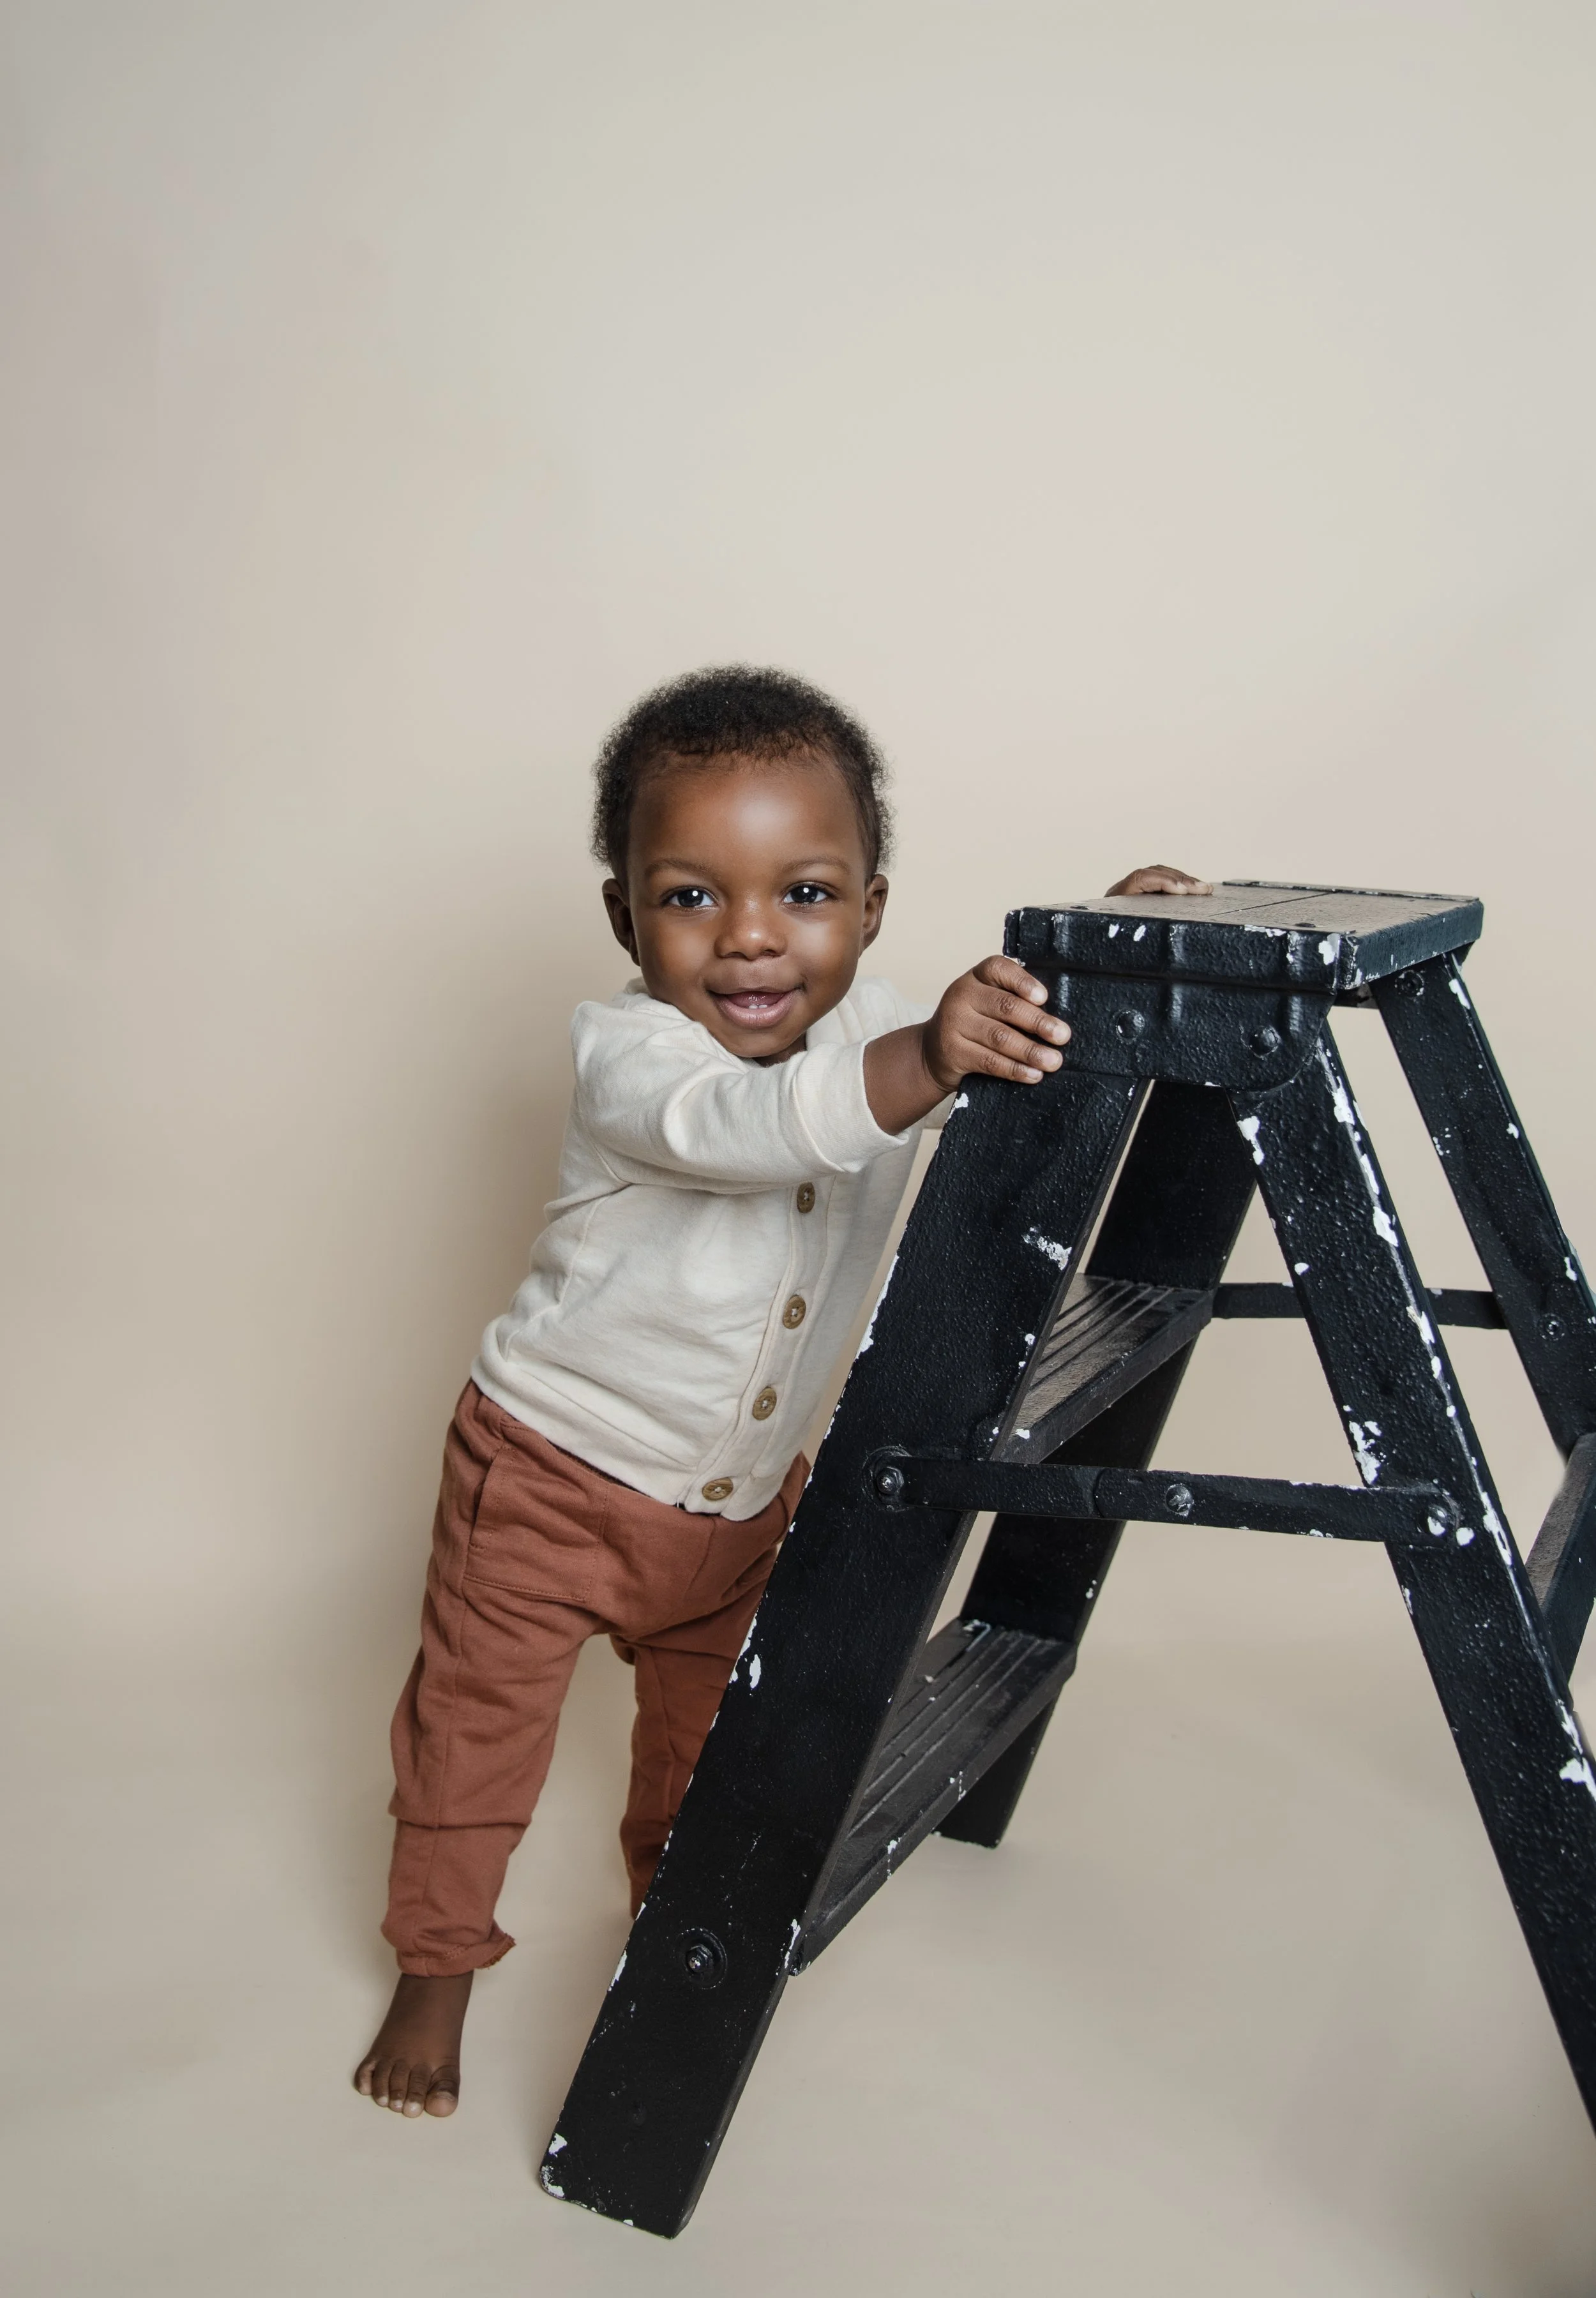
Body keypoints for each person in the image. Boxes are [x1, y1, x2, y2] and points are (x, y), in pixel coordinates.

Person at [354, 665, 1208, 2118]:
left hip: (740, 1507)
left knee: (714, 1766)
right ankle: (434, 1977)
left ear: (871, 905)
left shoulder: (875, 1030)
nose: (751, 939)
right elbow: (757, 1127)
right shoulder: (631, 1058)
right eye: (691, 898)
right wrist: (930, 1052)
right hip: (548, 1480)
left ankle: (671, 1963)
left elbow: (965, 1049)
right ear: (626, 916)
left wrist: (1089, 960)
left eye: (804, 893)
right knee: (470, 1750)